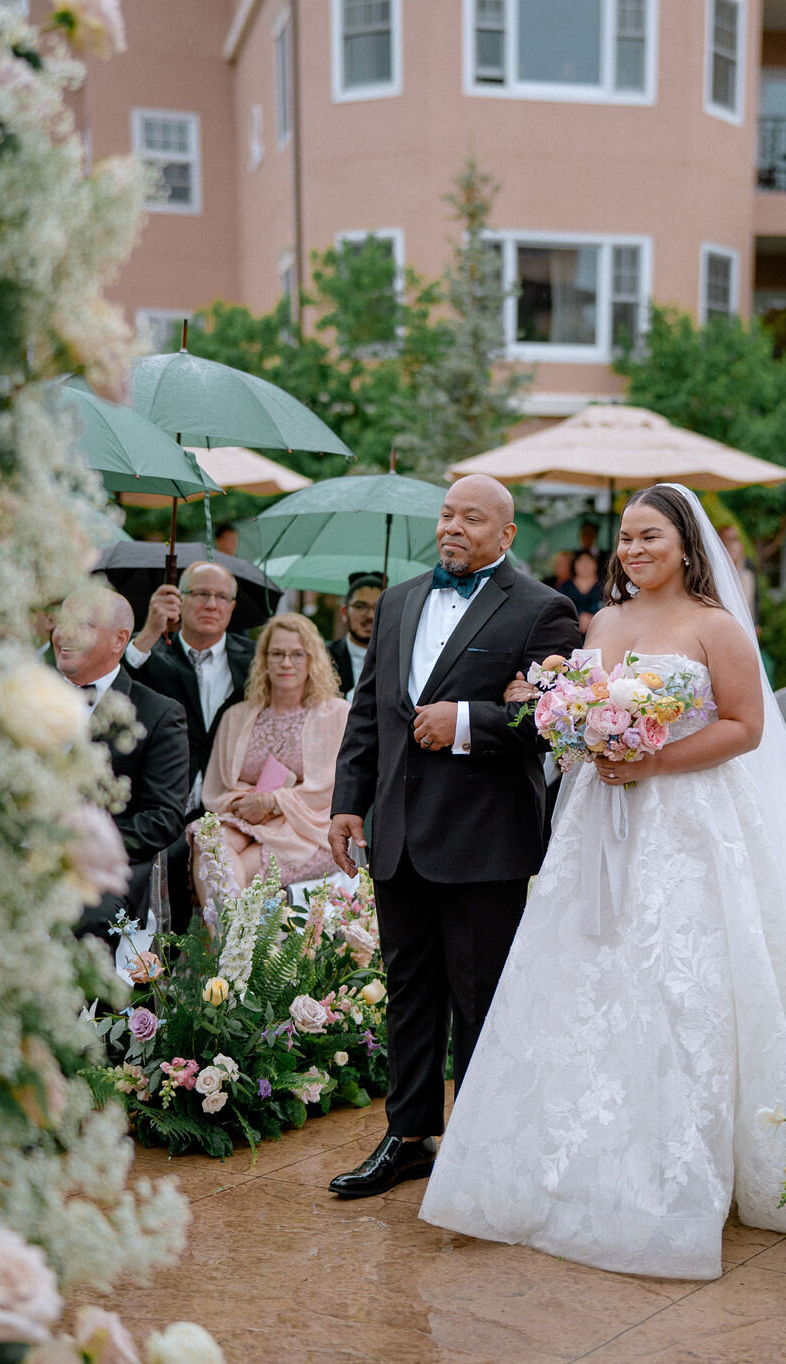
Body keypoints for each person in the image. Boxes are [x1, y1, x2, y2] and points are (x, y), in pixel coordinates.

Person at [418, 484, 786, 1280]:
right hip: (595, 823)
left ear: (687, 545)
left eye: (650, 535)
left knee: (677, 980)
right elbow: (575, 712)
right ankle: (568, 1166)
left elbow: (746, 727)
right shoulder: (605, 622)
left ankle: (680, 1168)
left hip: (685, 826)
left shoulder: (715, 628)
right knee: (584, 973)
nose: (633, 549)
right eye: (625, 537)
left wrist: (651, 757)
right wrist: (578, 731)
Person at [325, 474, 581, 1199]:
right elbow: (370, 713)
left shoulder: (543, 609)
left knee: (479, 999)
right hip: (398, 833)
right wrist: (350, 802)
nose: (453, 528)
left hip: (482, 836)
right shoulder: (401, 600)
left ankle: (483, 1145)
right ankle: (407, 1137)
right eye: (446, 515)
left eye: (472, 518)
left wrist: (466, 722)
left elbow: (553, 721)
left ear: (507, 535)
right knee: (407, 991)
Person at [52, 584, 189, 943]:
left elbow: (163, 818)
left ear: (119, 640)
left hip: (102, 874)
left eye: (82, 625)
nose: (63, 634)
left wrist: (75, 848)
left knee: (80, 920)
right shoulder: (29, 696)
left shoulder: (158, 714)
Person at [124, 560, 257, 925]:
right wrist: (149, 632)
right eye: (200, 594)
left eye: (221, 597)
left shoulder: (255, 660)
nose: (211, 604)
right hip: (164, 798)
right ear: (179, 600)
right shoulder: (152, 654)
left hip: (226, 799)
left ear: (232, 607)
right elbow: (117, 689)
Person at [191, 613, 349, 901]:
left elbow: (334, 788)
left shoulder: (336, 714)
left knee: (234, 870)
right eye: (277, 654)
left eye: (297, 655)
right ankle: (228, 942)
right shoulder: (235, 717)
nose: (286, 663)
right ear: (263, 659)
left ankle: (225, 943)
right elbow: (215, 789)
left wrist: (272, 802)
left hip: (305, 831)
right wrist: (249, 802)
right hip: (244, 818)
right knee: (209, 844)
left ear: (312, 659)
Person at [327, 573, 383, 703]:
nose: (370, 616)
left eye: (378, 607)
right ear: (344, 612)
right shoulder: (324, 659)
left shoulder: (399, 659)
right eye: (360, 606)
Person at [718, 523, 759, 629]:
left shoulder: (747, 572)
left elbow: (753, 598)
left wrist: (756, 622)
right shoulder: (720, 571)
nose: (733, 555)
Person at [557, 548, 603, 639]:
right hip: (569, 635)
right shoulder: (565, 587)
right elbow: (558, 610)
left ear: (596, 564)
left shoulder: (605, 587)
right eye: (581, 561)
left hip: (599, 635)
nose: (585, 565)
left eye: (589, 561)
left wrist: (593, 620)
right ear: (574, 564)